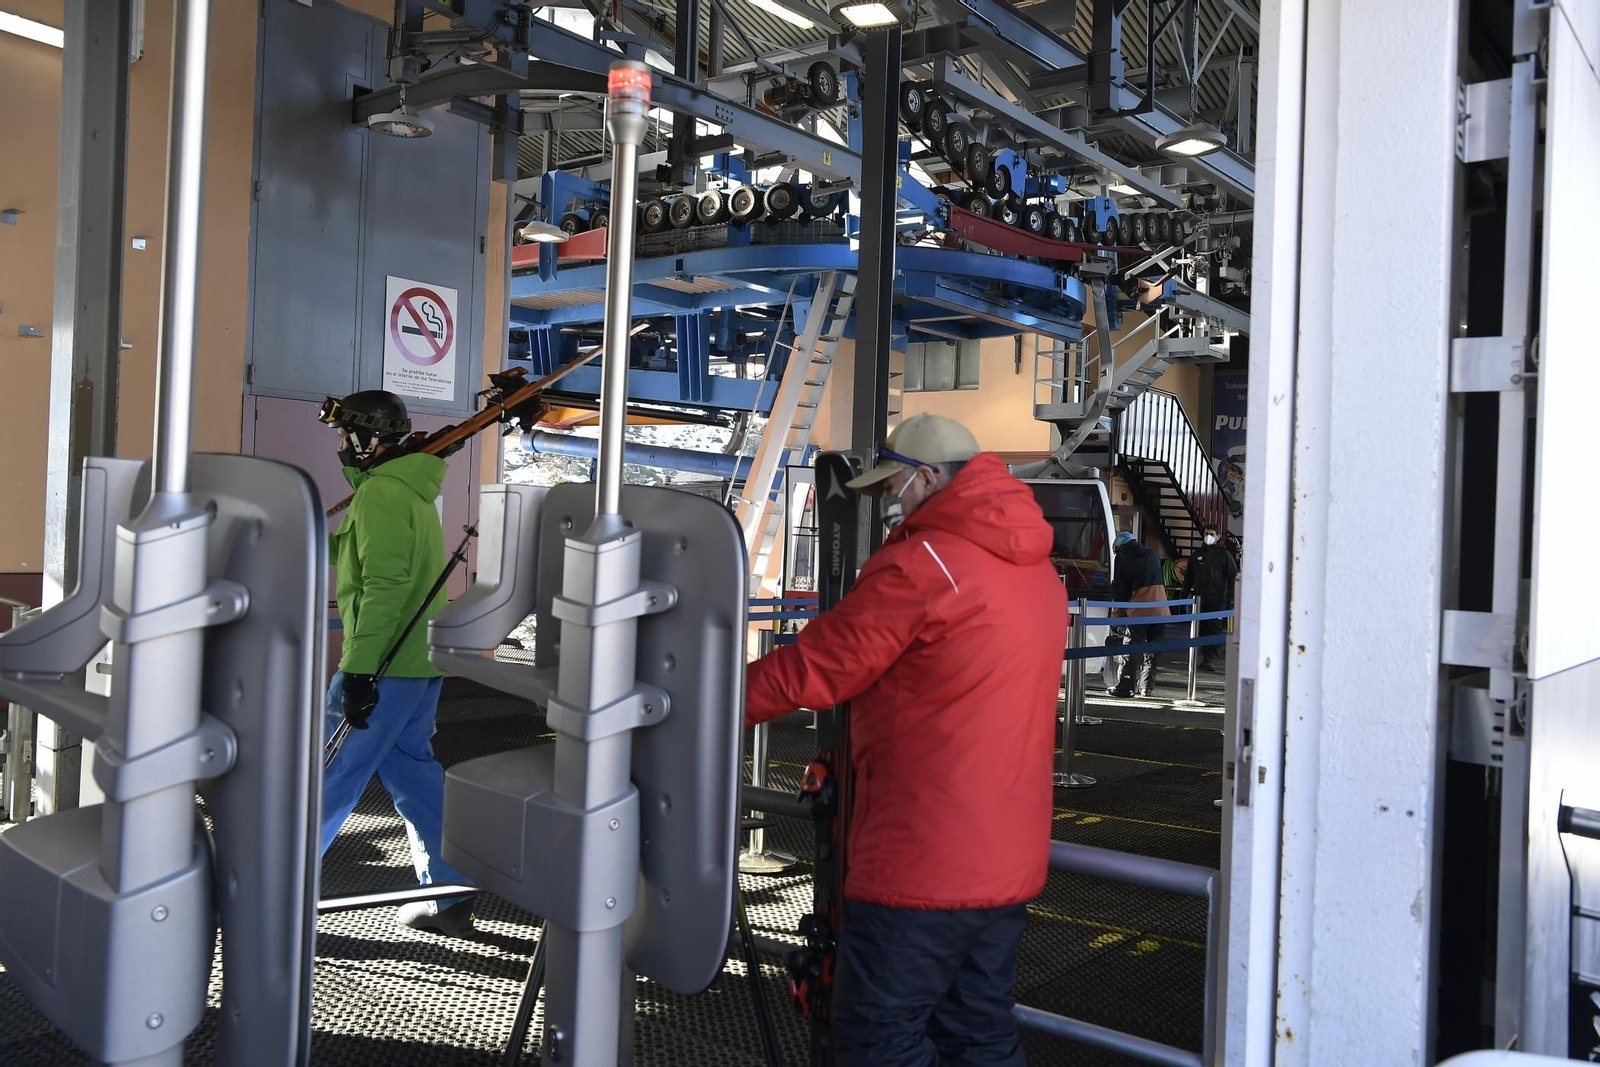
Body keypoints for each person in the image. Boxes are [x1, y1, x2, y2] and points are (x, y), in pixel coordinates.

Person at [745, 414, 1069, 1067]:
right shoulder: (1039, 572)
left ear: (927, 476)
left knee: (875, 1037)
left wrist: (693, 702)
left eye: (896, 487)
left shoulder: (925, 565)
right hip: (1008, 859)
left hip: (922, 861)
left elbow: (817, 668)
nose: (894, 506)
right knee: (977, 1032)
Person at [320, 390, 475, 936]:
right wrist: (309, 537)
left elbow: (385, 585)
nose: (341, 446)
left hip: (382, 667)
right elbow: (362, 557)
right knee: (413, 775)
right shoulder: (406, 491)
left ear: (368, 437)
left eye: (346, 436)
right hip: (417, 664)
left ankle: (269, 892)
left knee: (327, 775)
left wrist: (359, 669)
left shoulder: (382, 493)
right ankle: (450, 892)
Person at [1108, 530, 1169, 697]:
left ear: (1121, 549)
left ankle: (1125, 687)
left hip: (1140, 611)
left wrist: (1116, 617)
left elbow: (1121, 593)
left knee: (1131, 649)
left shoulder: (1124, 560)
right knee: (1153, 650)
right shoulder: (1153, 554)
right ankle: (1146, 687)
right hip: (1162, 610)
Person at [1184, 524, 1237, 671]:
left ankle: (1211, 660)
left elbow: (1233, 577)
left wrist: (1231, 598)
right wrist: (1185, 593)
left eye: (1212, 534)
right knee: (1201, 629)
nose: (1209, 536)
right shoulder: (1197, 555)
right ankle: (1204, 657)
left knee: (1214, 629)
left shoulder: (1224, 555)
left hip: (1218, 600)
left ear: (1218, 536)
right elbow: (1189, 576)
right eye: (1207, 533)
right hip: (1199, 599)